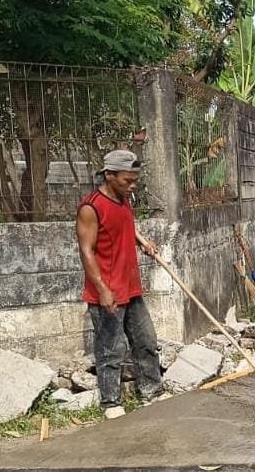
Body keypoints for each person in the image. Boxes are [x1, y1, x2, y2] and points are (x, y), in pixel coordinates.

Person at [76, 150, 163, 419]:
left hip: (131, 286)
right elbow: (86, 251)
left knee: (146, 340)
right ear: (109, 175)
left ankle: (151, 391)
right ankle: (111, 402)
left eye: (135, 179)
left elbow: (125, 225)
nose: (133, 184)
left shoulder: (124, 199)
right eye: (128, 179)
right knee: (111, 348)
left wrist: (143, 241)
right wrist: (102, 290)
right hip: (108, 291)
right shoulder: (91, 208)